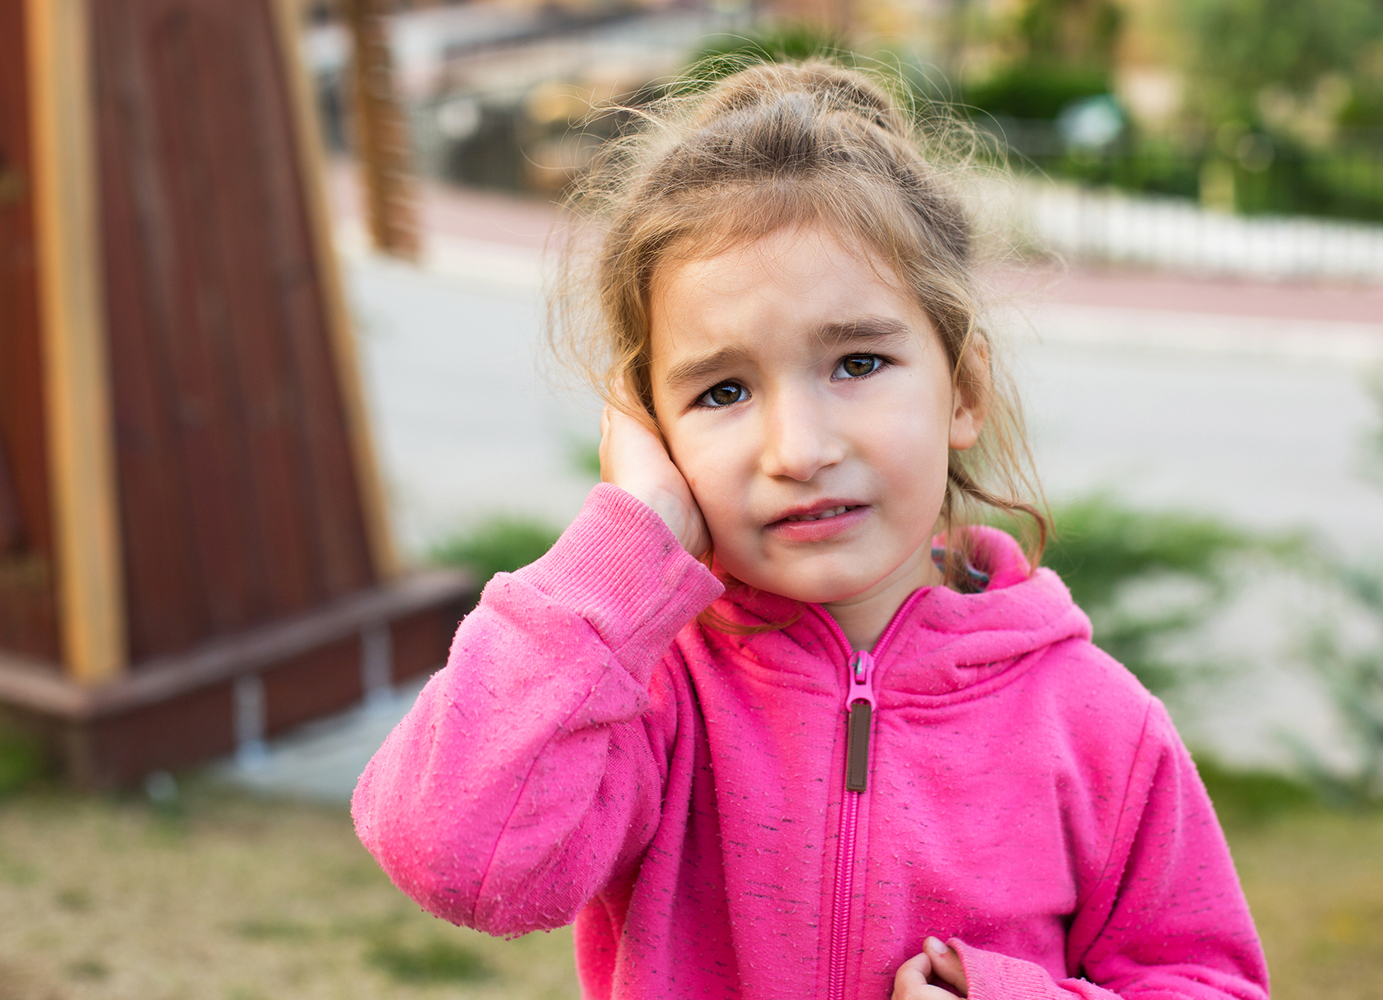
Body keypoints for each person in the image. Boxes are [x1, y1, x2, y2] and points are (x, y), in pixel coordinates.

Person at [352, 60, 1269, 1000]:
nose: (798, 448)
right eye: (723, 391)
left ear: (964, 391)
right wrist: (623, 550)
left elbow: (1207, 982)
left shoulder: (1100, 728)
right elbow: (452, 857)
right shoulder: (648, 698)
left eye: (858, 361)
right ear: (653, 437)